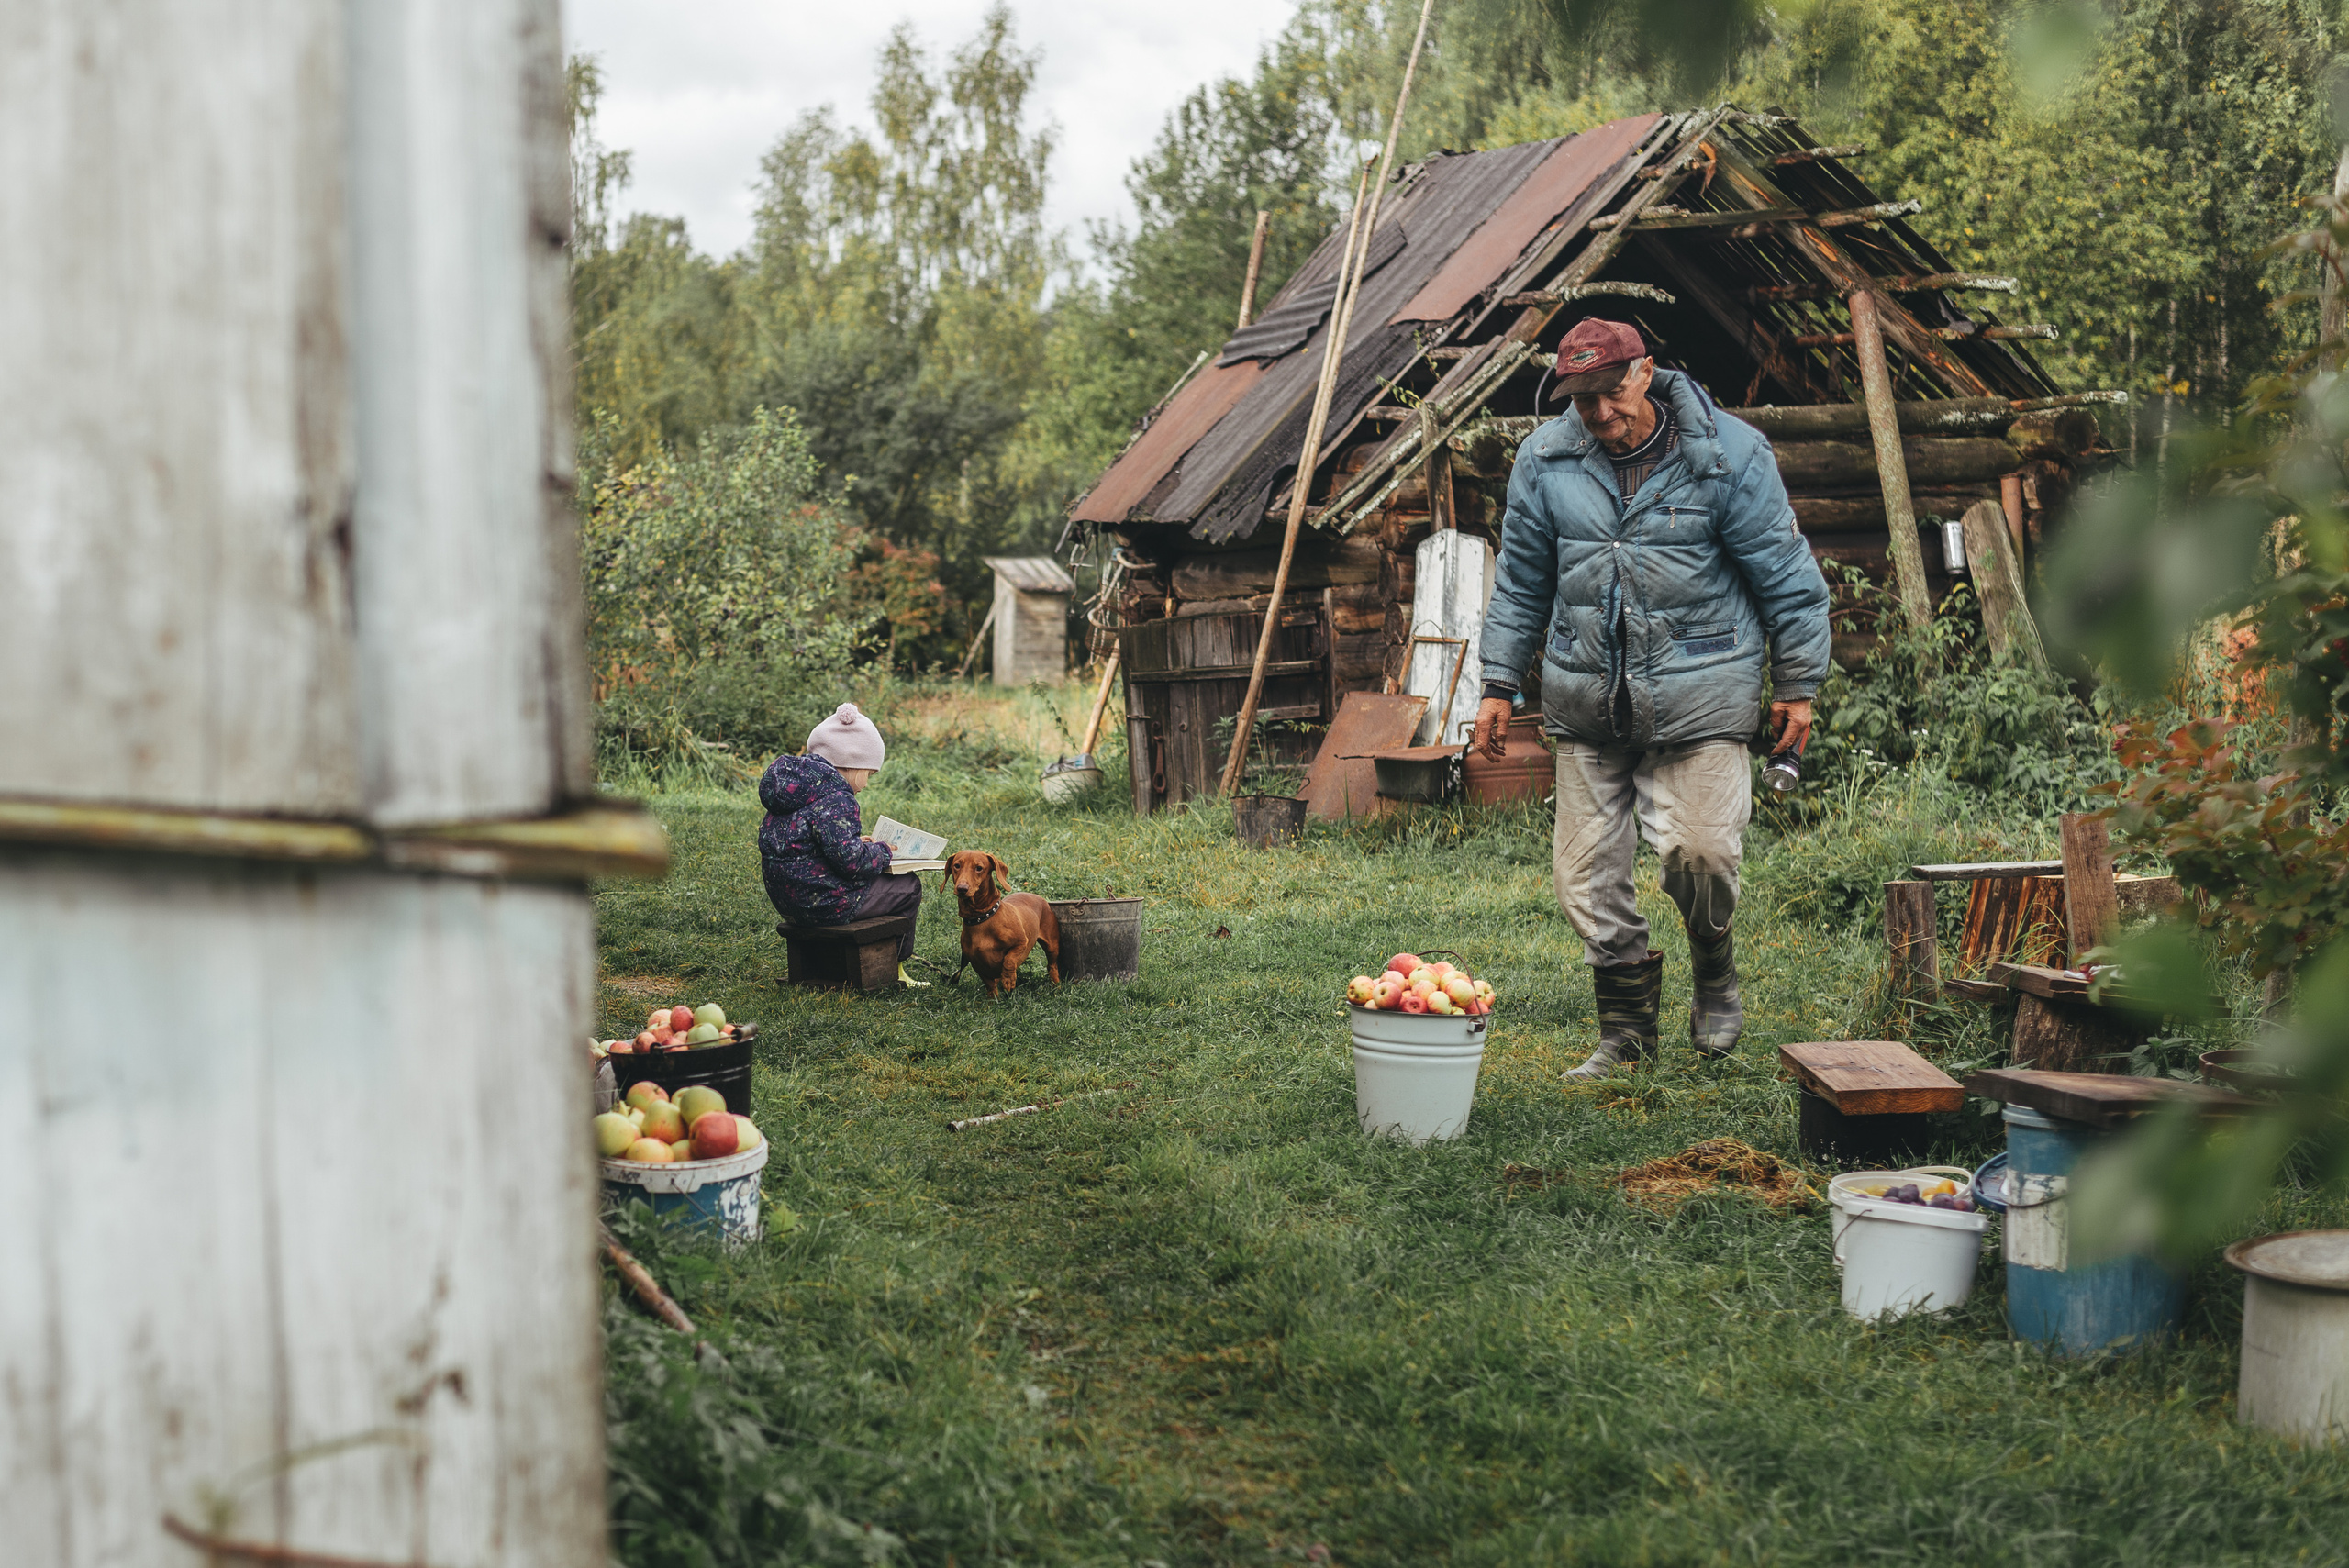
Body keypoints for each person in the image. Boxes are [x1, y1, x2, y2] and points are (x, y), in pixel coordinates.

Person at [1473, 317, 1831, 1081]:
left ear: (1644, 372)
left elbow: (1787, 577)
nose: (1598, 415)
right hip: (1588, 697)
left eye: (1608, 394)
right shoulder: (1544, 460)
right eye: (1580, 400)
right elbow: (1521, 581)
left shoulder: (1727, 456)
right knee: (1584, 878)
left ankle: (1714, 967)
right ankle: (1627, 1035)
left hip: (1701, 690)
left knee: (1700, 854)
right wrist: (1498, 682)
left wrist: (1798, 685)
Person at [759, 703, 928, 984]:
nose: (866, 784)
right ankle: (893, 967)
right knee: (908, 887)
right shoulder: (838, 797)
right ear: (851, 762)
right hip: (824, 902)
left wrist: (853, 841)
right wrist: (881, 852)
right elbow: (853, 863)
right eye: (869, 773)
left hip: (788, 899)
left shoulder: (795, 788)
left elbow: (806, 842)